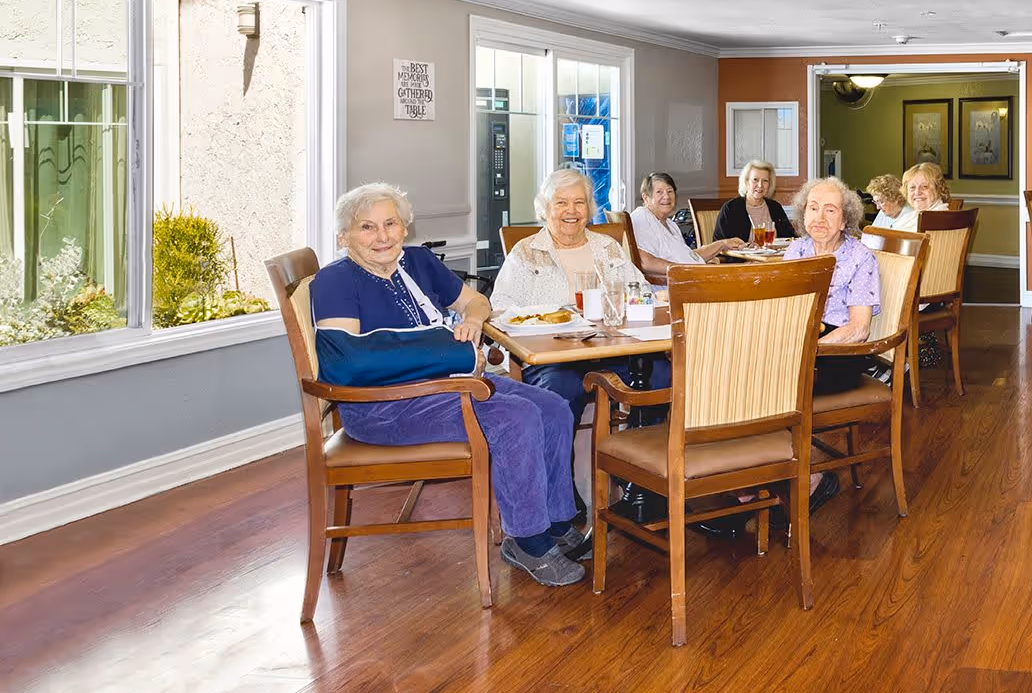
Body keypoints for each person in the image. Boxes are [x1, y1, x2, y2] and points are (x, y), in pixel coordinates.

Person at [310, 182, 587, 587]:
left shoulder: (418, 261)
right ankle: (527, 539)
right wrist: (453, 353)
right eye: (367, 228)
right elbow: (350, 361)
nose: (383, 236)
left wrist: (473, 319)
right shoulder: (335, 281)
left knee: (552, 406)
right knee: (514, 416)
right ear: (344, 237)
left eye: (391, 224)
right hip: (384, 406)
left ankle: (556, 519)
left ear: (405, 228)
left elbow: (476, 301)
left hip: (449, 386)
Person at [490, 167, 661, 424]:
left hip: (613, 351)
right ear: (545, 209)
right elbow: (501, 307)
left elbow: (642, 290)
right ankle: (558, 465)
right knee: (561, 393)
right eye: (561, 203)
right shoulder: (526, 252)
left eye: (579, 203)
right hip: (554, 360)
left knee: (663, 374)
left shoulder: (607, 247)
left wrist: (620, 306)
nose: (571, 211)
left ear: (589, 208)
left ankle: (642, 454)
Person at [781, 175, 887, 513]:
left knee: (772, 388)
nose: (819, 218)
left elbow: (858, 329)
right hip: (798, 347)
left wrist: (809, 349)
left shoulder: (860, 258)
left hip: (839, 354)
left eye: (830, 210)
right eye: (813, 208)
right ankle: (753, 483)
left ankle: (810, 481)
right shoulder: (796, 249)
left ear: (846, 220)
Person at [628, 171, 743, 279]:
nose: (667, 197)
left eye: (670, 191)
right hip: (669, 285)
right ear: (646, 197)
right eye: (659, 192)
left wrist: (723, 243)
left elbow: (688, 257)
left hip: (688, 276)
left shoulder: (671, 225)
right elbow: (645, 262)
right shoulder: (641, 217)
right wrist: (685, 270)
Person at [714, 158, 795, 243]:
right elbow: (720, 244)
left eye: (765, 181)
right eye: (755, 180)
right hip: (741, 256)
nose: (760, 185)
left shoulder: (775, 207)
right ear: (746, 182)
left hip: (775, 256)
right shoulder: (731, 208)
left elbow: (790, 238)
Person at [892, 161, 953, 233]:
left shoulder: (939, 221)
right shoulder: (910, 218)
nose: (917, 192)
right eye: (912, 187)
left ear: (938, 189)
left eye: (925, 187)